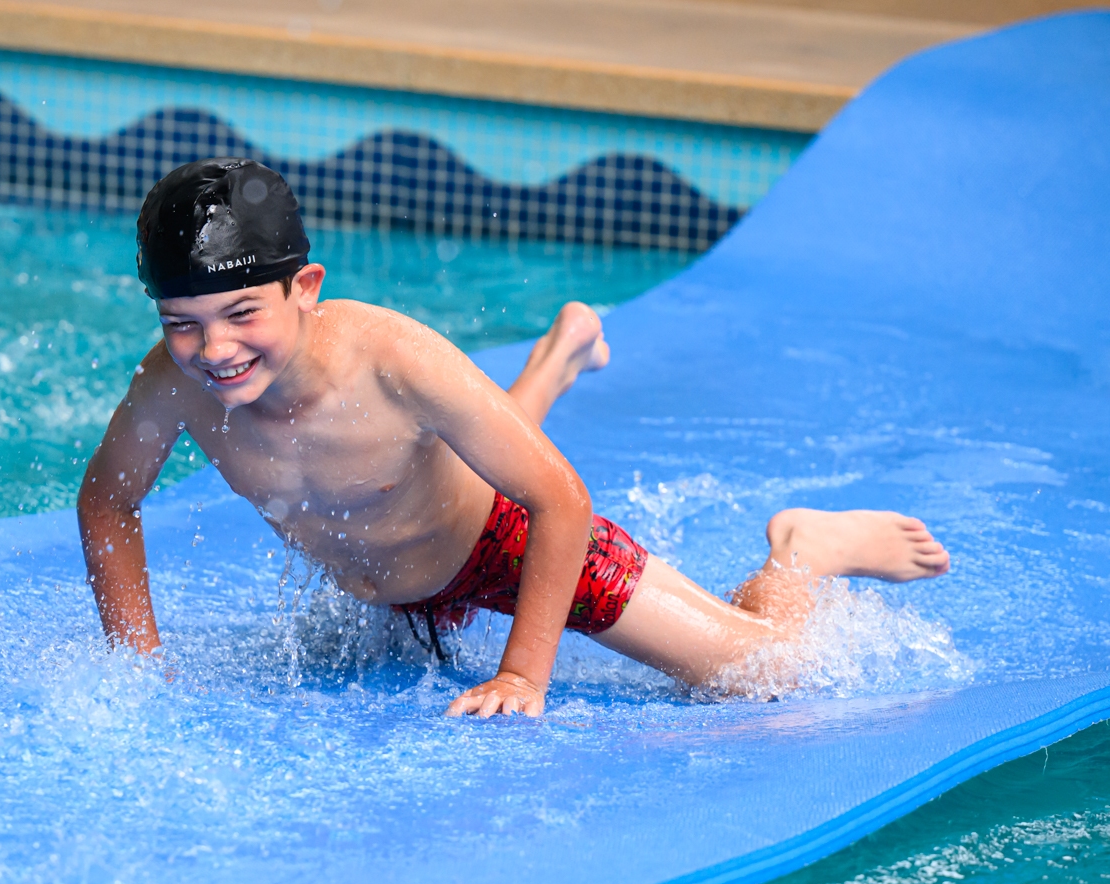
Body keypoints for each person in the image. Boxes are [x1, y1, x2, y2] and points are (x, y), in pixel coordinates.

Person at [77, 159, 951, 718]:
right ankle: (558, 358)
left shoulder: (396, 362)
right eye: (182, 323)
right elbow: (108, 500)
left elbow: (559, 498)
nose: (214, 349)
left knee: (768, 677)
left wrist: (524, 674)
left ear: (305, 288)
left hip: (508, 542)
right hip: (400, 579)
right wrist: (139, 665)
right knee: (446, 453)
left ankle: (802, 552)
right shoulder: (173, 383)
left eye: (241, 313)